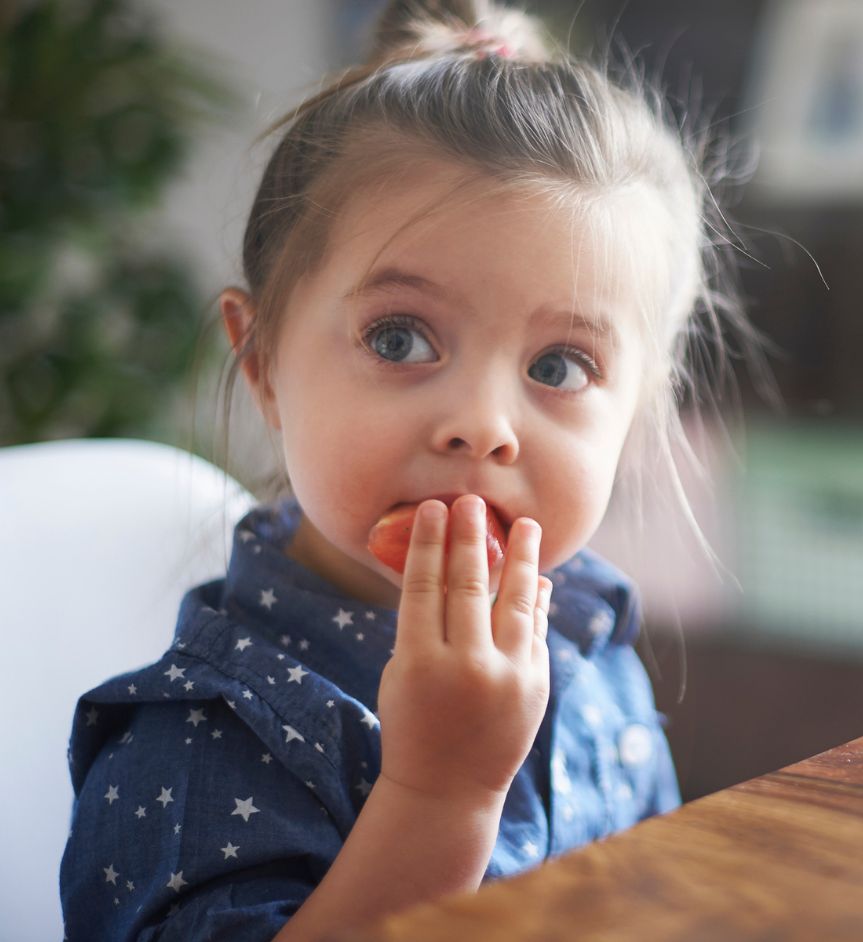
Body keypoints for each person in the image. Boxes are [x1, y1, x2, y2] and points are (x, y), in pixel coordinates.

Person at [59, 1, 753, 938]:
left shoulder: (588, 640)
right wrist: (441, 794)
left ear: (635, 411)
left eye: (559, 367)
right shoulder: (199, 745)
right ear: (261, 363)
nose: (481, 426)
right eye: (400, 338)